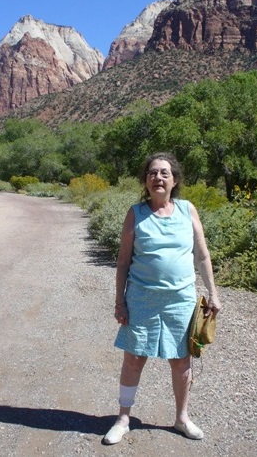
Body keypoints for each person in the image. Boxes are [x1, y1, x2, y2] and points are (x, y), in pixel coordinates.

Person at [103, 152, 221, 445]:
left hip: (181, 300)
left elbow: (202, 254)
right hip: (142, 298)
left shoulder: (187, 210)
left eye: (164, 173)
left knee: (181, 362)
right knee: (133, 358)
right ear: (145, 181)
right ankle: (122, 419)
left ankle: (182, 419)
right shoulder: (136, 213)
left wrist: (213, 292)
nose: (158, 177)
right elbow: (122, 261)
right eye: (153, 173)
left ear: (175, 180)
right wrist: (120, 302)